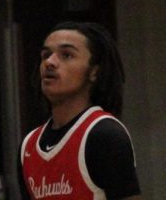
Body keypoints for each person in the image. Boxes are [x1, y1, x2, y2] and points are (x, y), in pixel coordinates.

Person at [18, 21, 140, 200]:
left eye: (66, 55)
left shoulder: (105, 134)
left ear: (94, 72)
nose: (50, 62)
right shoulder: (28, 146)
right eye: (46, 55)